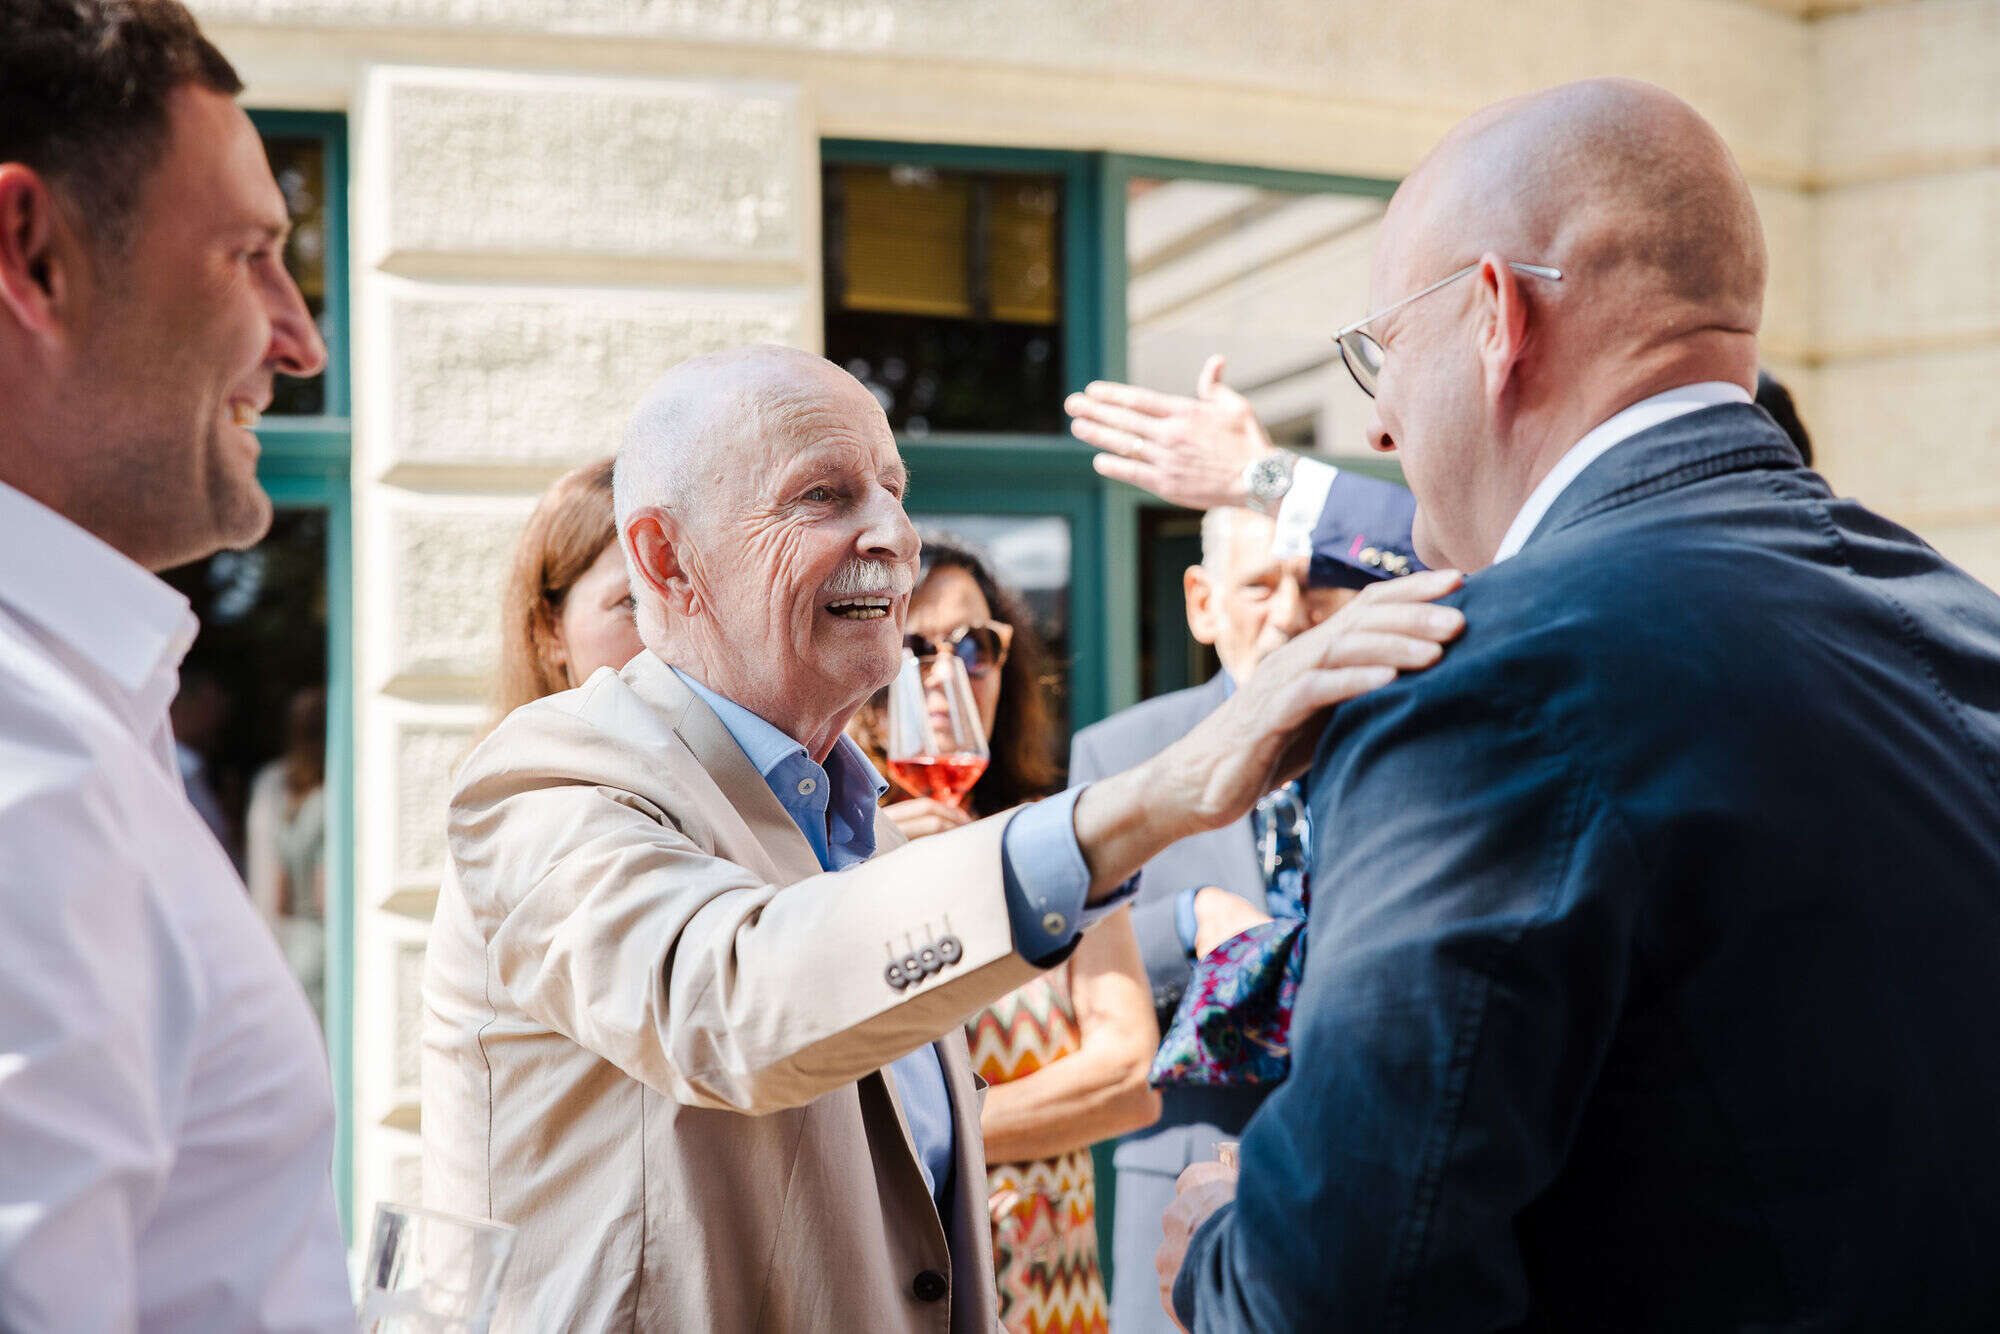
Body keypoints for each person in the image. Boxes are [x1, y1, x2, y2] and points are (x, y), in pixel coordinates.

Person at [1135, 78, 2000, 1332]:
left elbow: (1329, 1293)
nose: (1377, 426)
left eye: (1382, 350)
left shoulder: (1477, 685)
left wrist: (1216, 1247)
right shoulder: (1962, 619)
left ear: (1497, 316)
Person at [422, 344, 1465, 1330]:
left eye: (895, 491)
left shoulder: (867, 825)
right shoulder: (547, 779)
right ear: (667, 558)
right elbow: (729, 1002)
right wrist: (1166, 793)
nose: (893, 535)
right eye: (823, 495)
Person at [0, 0, 349, 1327]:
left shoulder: (80, 705)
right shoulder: (27, 756)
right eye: (250, 254)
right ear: (31, 254)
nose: (300, 338)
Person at [1069, 499, 1416, 1331]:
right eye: (1261, 585)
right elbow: (1076, 963)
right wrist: (1188, 920)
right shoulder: (1120, 753)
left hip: (1376, 1174)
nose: (1290, 615)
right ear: (1203, 602)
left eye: (1315, 586)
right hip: (1189, 1174)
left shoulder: (1405, 746)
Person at [856, 536, 1160, 1334]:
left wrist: (937, 1132)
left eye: (974, 648)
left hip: (1053, 1294)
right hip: (894, 1290)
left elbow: (1131, 1076)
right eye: (913, 648)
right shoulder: (830, 857)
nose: (946, 675)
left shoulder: (1059, 839)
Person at [489, 456, 645, 725]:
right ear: (549, 627)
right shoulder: (512, 754)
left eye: (694, 599)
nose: (669, 638)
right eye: (632, 602)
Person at [245, 687, 330, 1023]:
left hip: (291, 947)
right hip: (322, 950)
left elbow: (278, 894)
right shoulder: (330, 797)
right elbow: (324, 896)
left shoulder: (279, 791)